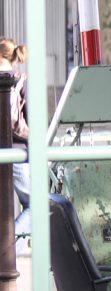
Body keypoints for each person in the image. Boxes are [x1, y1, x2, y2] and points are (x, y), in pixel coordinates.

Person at [0, 39, 29, 251]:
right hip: (18, 154)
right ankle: (7, 251)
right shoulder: (19, 80)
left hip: (5, 152)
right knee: (36, 206)